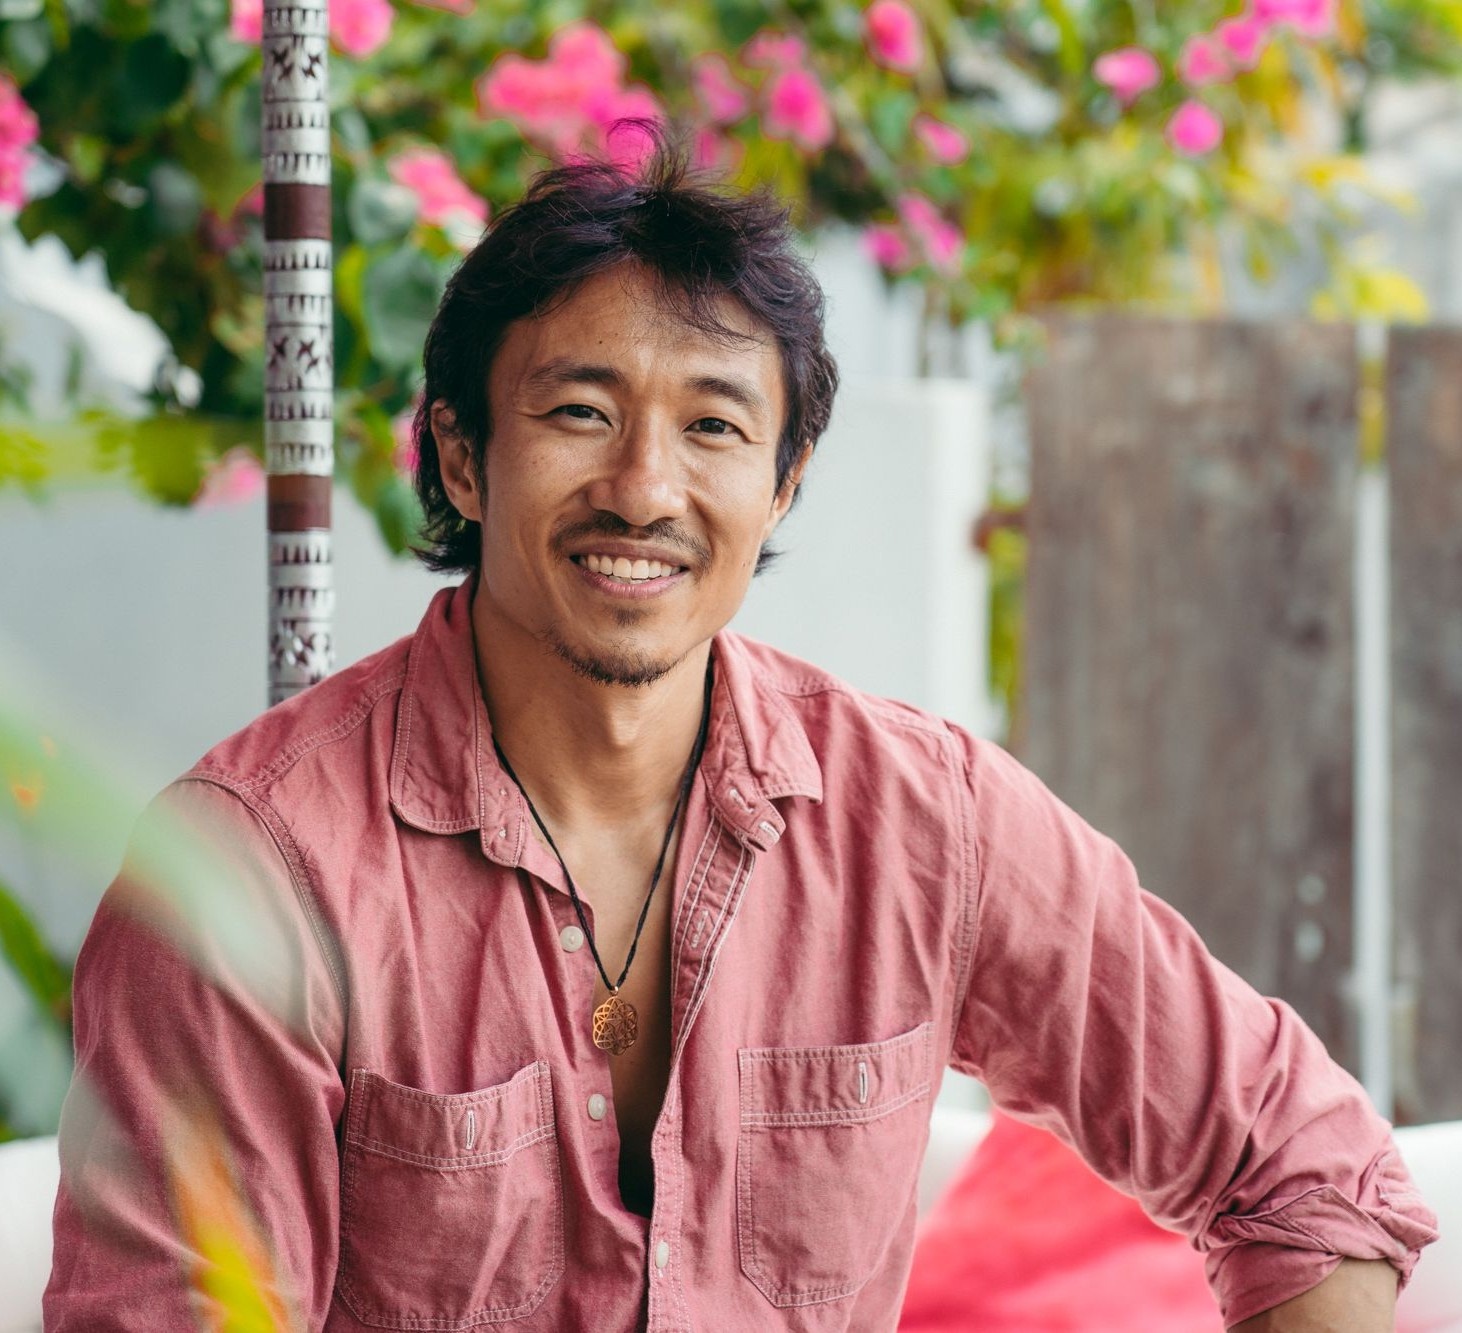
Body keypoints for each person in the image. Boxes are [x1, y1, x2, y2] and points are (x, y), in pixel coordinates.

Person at [47, 141, 1436, 1332]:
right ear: (461, 455)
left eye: (713, 426)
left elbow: (1301, 1170)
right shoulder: (253, 876)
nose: (644, 487)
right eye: (580, 412)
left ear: (781, 485)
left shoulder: (920, 817)